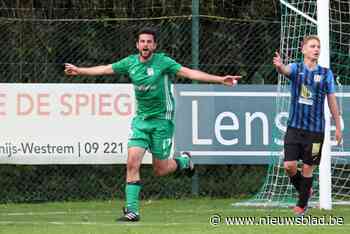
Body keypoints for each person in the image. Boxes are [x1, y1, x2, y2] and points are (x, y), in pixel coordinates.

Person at [64, 27, 241, 222]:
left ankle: (184, 161)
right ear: (137, 45)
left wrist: (220, 79)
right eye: (142, 41)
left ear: (154, 45)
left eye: (149, 42)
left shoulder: (163, 62)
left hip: (162, 121)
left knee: (161, 169)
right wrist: (79, 70)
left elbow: (189, 73)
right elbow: (106, 68)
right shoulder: (130, 62)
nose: (145, 45)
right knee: (132, 163)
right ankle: (132, 211)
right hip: (141, 121)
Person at [273, 35, 342, 216]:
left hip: (315, 131)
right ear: (303, 49)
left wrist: (338, 125)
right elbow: (285, 70)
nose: (316, 49)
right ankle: (306, 191)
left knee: (307, 168)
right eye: (312, 46)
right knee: (289, 166)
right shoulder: (297, 68)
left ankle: (301, 205)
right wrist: (280, 66)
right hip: (294, 128)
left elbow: (332, 100)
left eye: (318, 47)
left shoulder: (326, 74)